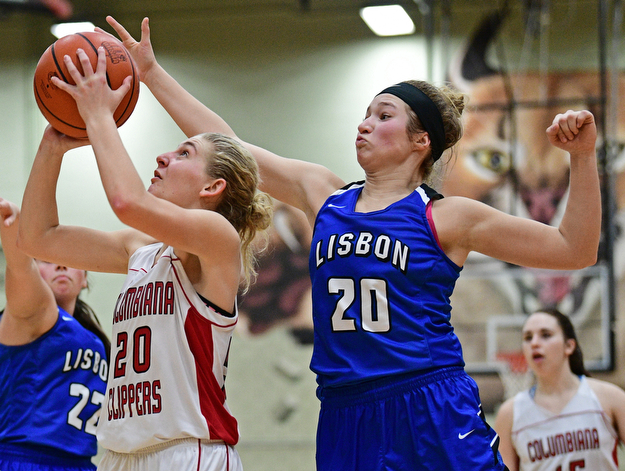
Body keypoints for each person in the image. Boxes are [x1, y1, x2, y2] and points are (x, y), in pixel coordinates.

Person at [104, 16, 601, 470]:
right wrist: (152, 75)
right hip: (345, 411)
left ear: (419, 141)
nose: (364, 123)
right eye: (365, 114)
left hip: (427, 398)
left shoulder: (446, 216)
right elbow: (228, 145)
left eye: (383, 116)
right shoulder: (323, 196)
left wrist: (580, 158)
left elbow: (573, 249)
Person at [17, 45, 272, 470]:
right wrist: (52, 145)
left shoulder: (216, 239)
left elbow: (126, 201)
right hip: (121, 454)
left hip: (187, 452)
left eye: (184, 153)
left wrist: (99, 114)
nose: (163, 156)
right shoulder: (141, 249)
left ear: (213, 188)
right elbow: (37, 238)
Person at [0, 197, 109, 471]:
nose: (61, 265)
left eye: (70, 258)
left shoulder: (96, 339)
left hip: (80, 463)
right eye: (48, 260)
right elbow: (20, 266)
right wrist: (16, 229)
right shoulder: (33, 312)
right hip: (24, 458)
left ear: (85, 277)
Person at [493, 309, 625, 471]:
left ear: (569, 346)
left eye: (546, 335)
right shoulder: (510, 413)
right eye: (528, 338)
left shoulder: (610, 397)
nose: (534, 343)